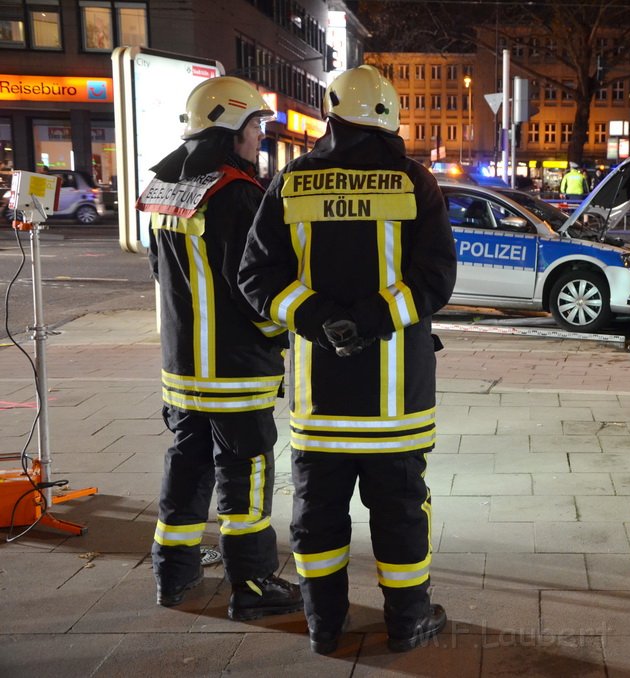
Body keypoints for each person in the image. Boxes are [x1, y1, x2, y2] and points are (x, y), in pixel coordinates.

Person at [238, 65, 457, 655]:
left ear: (331, 114)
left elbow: (257, 277)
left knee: (318, 513)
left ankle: (323, 624)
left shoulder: (291, 182)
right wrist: (368, 321)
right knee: (401, 511)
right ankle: (409, 621)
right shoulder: (415, 182)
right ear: (389, 115)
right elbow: (435, 278)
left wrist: (319, 320)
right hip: (396, 398)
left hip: (320, 395)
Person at [136, 76, 301, 619]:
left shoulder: (163, 191)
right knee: (246, 476)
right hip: (234, 372)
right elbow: (256, 289)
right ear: (231, 128)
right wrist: (286, 336)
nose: (259, 137)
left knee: (186, 469)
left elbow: (161, 273)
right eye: (254, 125)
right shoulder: (238, 195)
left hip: (182, 372)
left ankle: (172, 575)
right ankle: (252, 585)